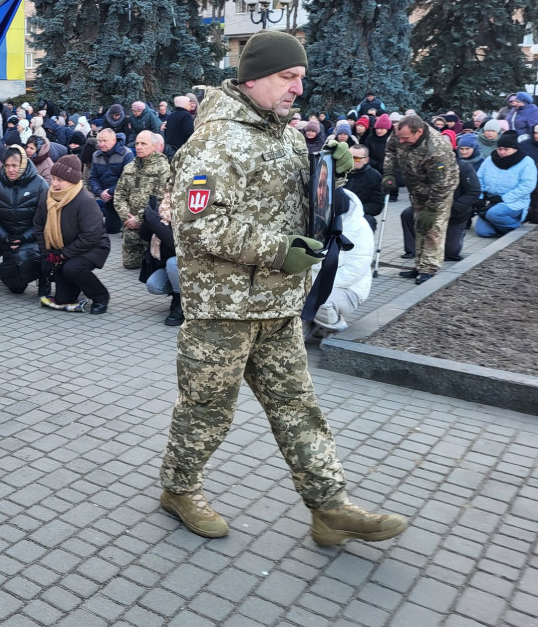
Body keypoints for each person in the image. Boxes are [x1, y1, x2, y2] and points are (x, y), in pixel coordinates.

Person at [161, 29, 406, 546]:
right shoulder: (215, 140)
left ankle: (329, 506)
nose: (298, 87)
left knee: (298, 405)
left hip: (276, 303)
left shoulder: (287, 134)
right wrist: (277, 250)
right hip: (223, 310)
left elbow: (300, 208)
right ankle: (179, 488)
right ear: (254, 78)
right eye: (287, 77)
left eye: (300, 78)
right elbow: (197, 225)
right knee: (206, 408)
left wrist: (330, 173)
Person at [383, 115, 459, 284]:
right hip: (416, 187)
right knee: (419, 225)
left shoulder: (437, 149)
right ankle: (419, 265)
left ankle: (429, 268)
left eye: (405, 138)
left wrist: (432, 210)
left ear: (419, 132)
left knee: (432, 227)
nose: (401, 141)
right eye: (399, 137)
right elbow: (390, 150)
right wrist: (388, 172)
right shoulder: (400, 132)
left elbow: (441, 185)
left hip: (439, 190)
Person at [33, 155, 110, 314]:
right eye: (53, 178)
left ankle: (101, 296)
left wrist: (62, 256)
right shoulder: (46, 197)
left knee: (72, 268)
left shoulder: (85, 201)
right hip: (62, 249)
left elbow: (91, 236)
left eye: (60, 180)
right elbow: (39, 225)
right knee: (63, 299)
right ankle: (78, 284)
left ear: (73, 181)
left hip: (93, 248)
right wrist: (47, 253)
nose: (54, 183)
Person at [0, 145, 48, 294]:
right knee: (15, 287)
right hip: (7, 239)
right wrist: (6, 237)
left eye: (15, 165)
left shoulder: (40, 184)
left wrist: (24, 237)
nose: (11, 169)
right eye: (7, 165)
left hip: (32, 239)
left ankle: (44, 276)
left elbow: (45, 218)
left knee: (27, 257)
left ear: (23, 164)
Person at [307, 189, 373, 336]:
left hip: (350, 288)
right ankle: (316, 325)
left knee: (319, 302)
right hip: (315, 281)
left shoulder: (360, 228)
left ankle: (339, 327)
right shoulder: (319, 222)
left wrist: (315, 286)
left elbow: (353, 272)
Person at [402, 151, 479, 262]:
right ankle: (412, 249)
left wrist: (455, 207)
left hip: (454, 213)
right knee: (408, 214)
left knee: (450, 252)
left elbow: (473, 191)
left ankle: (455, 236)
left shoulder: (463, 167)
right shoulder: (426, 166)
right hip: (432, 207)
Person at [114, 130, 171, 270]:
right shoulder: (129, 167)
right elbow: (119, 194)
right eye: (137, 143)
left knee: (151, 267)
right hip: (130, 224)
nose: (139, 147)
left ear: (154, 146)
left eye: (143, 144)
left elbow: (161, 200)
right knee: (130, 265)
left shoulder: (163, 168)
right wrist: (127, 216)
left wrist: (139, 220)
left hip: (151, 226)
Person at [474, 132, 538, 237]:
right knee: (483, 232)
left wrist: (504, 198)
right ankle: (503, 228)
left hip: (513, 202)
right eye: (500, 149)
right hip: (491, 201)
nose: (502, 152)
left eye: (506, 149)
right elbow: (479, 178)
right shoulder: (490, 160)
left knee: (494, 213)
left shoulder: (526, 162)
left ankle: (516, 228)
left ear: (515, 149)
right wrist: (480, 197)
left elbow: (527, 185)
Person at [140, 192, 183, 326]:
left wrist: (153, 221)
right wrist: (147, 220)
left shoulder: (184, 212)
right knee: (154, 285)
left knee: (172, 263)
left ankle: (180, 302)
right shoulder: (162, 209)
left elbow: (173, 243)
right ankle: (181, 292)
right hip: (166, 266)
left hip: (188, 266)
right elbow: (144, 236)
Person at [88, 128, 133, 234]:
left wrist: (110, 192)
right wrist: (99, 192)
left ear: (114, 140)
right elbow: (92, 177)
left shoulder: (126, 154)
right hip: (104, 195)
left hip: (122, 196)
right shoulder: (96, 155)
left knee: (114, 229)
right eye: (99, 141)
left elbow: (127, 179)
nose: (101, 144)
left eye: (105, 141)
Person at [344, 144, 385, 230]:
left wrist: (357, 209)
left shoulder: (374, 177)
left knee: (368, 222)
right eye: (348, 157)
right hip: (338, 211)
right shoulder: (338, 172)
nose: (351, 161)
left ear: (366, 160)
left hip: (360, 213)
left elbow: (377, 205)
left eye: (356, 158)